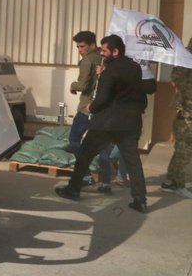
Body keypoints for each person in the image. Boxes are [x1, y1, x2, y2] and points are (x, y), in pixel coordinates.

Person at [55, 35, 153, 213]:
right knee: (133, 162)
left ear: (115, 51)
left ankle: (73, 189)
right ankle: (140, 200)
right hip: (131, 123)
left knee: (85, 154)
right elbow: (139, 91)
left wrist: (91, 106)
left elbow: (102, 99)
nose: (102, 53)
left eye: (105, 50)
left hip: (107, 123)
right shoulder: (135, 67)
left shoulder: (111, 70)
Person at [161, 40, 192, 199]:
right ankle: (179, 185)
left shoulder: (182, 62)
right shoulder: (187, 63)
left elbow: (175, 80)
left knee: (180, 151)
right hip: (188, 118)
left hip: (183, 116)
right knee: (185, 153)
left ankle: (171, 182)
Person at [67, 31, 100, 154]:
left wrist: (72, 86)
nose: (80, 50)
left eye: (82, 46)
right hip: (101, 107)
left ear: (92, 45)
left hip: (86, 108)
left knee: (74, 139)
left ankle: (82, 171)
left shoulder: (87, 61)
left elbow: (83, 85)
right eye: (78, 47)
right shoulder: (103, 57)